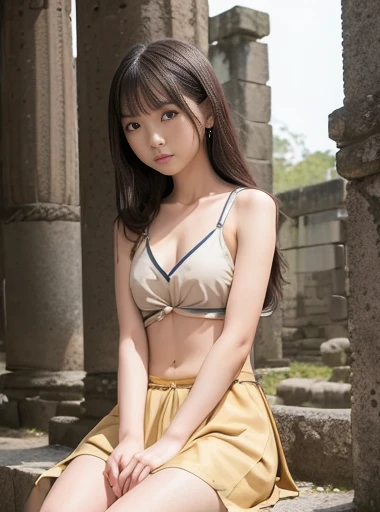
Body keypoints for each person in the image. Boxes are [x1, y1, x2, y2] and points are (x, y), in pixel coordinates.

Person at [23, 37, 299, 512]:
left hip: (222, 418)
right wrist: (131, 434)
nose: (153, 138)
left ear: (208, 112)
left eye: (168, 114)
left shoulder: (250, 208)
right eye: (134, 124)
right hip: (137, 412)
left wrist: (172, 440)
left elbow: (236, 339)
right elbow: (131, 339)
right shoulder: (130, 227)